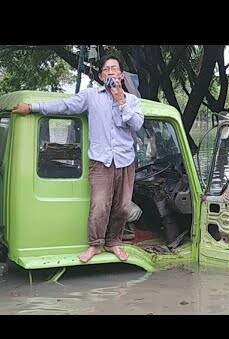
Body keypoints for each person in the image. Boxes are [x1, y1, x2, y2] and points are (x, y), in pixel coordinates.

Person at [12, 54, 144, 263]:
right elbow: (64, 106)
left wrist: (121, 100)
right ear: (101, 76)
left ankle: (114, 242)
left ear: (121, 75)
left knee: (123, 207)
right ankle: (95, 245)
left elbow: (137, 125)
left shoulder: (133, 101)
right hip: (100, 162)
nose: (110, 72)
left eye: (114, 69)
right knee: (100, 204)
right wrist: (32, 108)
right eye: (106, 69)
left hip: (125, 161)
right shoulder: (91, 96)